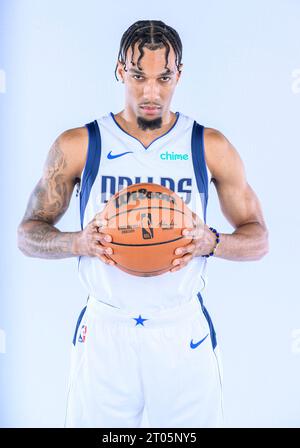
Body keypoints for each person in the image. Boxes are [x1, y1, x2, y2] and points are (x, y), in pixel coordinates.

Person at [17, 20, 269, 428]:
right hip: (105, 331)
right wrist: (77, 243)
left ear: (179, 75)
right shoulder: (80, 144)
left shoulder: (207, 146)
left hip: (182, 331)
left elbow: (258, 239)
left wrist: (212, 241)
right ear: (120, 71)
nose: (151, 92)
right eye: (138, 76)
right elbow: (28, 234)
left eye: (163, 78)